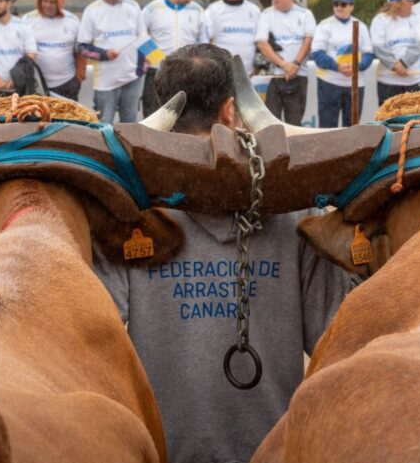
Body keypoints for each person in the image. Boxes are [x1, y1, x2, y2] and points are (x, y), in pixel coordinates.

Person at [91, 42, 356, 463]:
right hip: (273, 450)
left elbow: (90, 337)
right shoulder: (296, 211)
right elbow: (338, 341)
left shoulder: (128, 213)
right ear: (230, 110)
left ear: (164, 106)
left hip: (160, 451)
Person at [77, 0, 146, 123]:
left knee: (130, 125)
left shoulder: (133, 6)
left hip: (133, 78)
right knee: (104, 124)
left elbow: (144, 38)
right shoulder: (92, 10)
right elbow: (82, 47)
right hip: (106, 82)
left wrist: (145, 68)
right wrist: (104, 54)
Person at [141, 0, 207, 118]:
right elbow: (140, 35)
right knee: (154, 117)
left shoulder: (197, 10)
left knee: (187, 119)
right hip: (157, 73)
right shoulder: (152, 8)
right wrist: (158, 59)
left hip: (188, 74)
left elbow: (204, 41)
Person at [255, 0, 317, 125]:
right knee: (271, 123)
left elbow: (308, 40)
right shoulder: (267, 14)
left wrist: (295, 64)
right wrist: (284, 65)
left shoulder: (305, 14)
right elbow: (262, 43)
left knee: (294, 122)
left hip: (298, 74)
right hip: (275, 76)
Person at [310, 0, 373, 127]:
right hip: (330, 82)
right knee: (327, 127)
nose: (339, 7)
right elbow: (317, 53)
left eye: (343, 4)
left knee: (352, 128)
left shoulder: (360, 26)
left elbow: (368, 54)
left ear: (351, 6)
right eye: (336, 4)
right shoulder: (324, 25)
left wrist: (357, 67)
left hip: (355, 84)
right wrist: (337, 67)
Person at [23, 0, 83, 100]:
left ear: (60, 3)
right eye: (44, 1)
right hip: (37, 85)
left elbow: (80, 52)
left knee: (67, 118)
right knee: (41, 118)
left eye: (52, 2)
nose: (47, 5)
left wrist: (79, 78)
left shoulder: (72, 21)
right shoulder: (28, 20)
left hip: (66, 84)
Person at [370, 0, 420, 104]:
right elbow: (378, 47)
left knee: (414, 119)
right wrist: (395, 65)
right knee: (387, 119)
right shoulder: (380, 20)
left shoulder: (416, 18)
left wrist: (404, 63)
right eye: (409, 1)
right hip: (388, 81)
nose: (412, 4)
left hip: (413, 81)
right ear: (397, 3)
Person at [205, 0, 261, 74]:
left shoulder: (254, 10)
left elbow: (261, 41)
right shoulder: (212, 10)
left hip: (249, 73)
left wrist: (258, 67)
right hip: (221, 72)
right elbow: (205, 40)